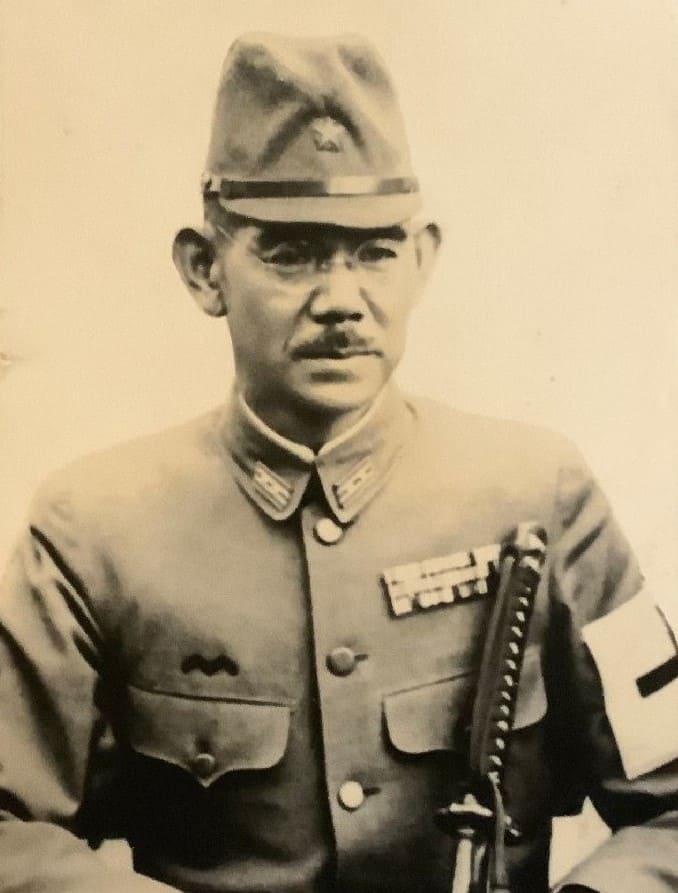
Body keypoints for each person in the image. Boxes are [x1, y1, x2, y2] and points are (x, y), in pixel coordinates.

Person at [0, 31, 677, 893]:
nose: (342, 301)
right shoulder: (94, 531)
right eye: (291, 252)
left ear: (423, 259)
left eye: (376, 251)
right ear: (205, 270)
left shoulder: (539, 494)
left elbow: (671, 805)